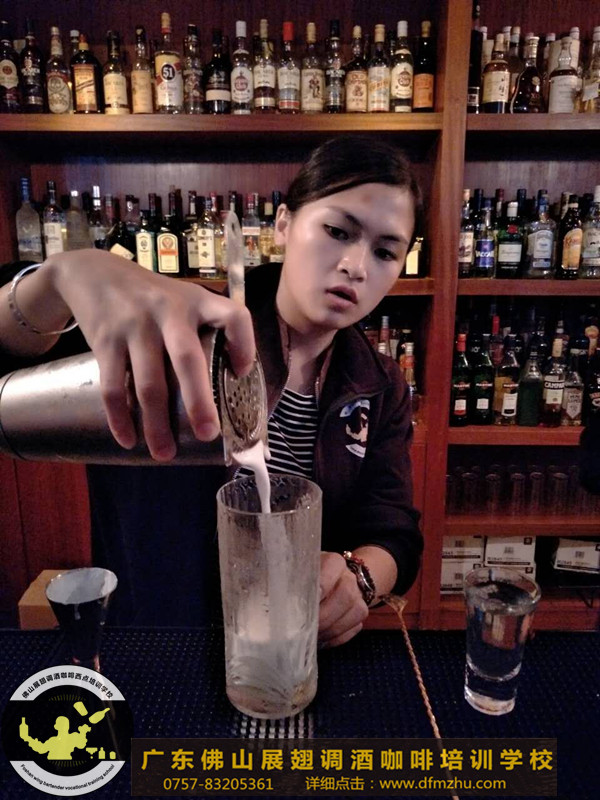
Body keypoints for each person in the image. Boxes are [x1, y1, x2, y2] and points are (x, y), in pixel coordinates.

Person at [0, 135, 423, 647]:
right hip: (162, 643)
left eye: (384, 251)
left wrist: (358, 577)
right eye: (337, 231)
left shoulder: (380, 386)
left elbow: (394, 530)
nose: (357, 266)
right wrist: (55, 281)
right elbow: (12, 353)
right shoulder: (179, 337)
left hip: (292, 650)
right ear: (284, 224)